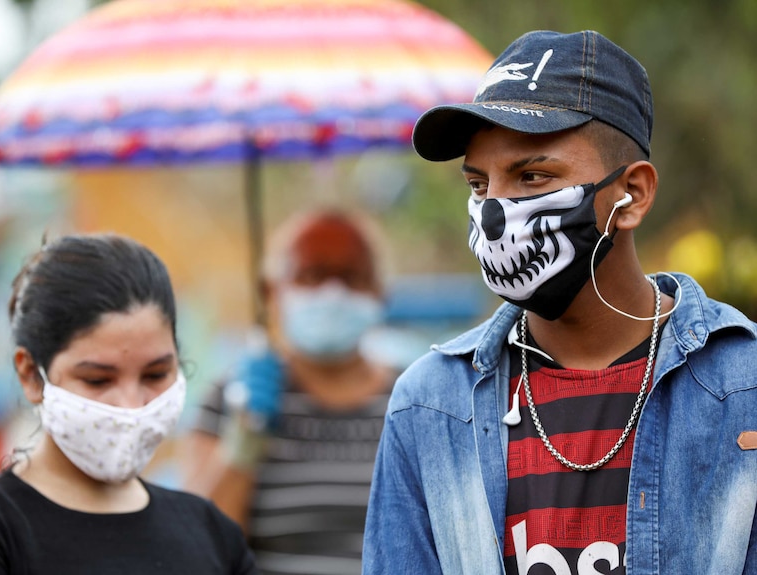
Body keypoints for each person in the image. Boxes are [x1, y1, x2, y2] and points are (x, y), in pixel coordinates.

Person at [363, 30, 757, 575]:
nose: (494, 211)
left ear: (632, 195)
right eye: (479, 186)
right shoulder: (429, 405)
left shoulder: (745, 388)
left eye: (532, 176)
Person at [0, 233, 258, 575]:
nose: (131, 405)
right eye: (98, 380)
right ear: (30, 375)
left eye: (155, 375)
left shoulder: (211, 533)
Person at [185, 208, 397, 575]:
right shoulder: (232, 398)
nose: (333, 293)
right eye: (312, 275)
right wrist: (244, 441)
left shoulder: (416, 401)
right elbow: (197, 549)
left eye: (351, 276)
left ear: (379, 291)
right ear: (271, 291)